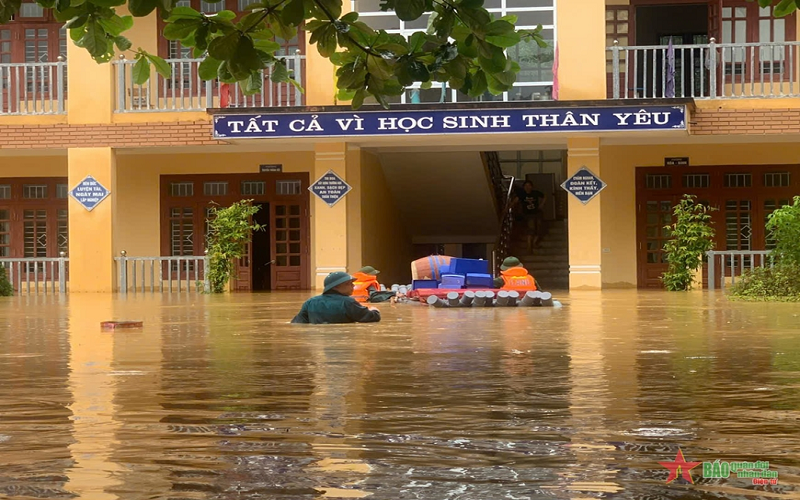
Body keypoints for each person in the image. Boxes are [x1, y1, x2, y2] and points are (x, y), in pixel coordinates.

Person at [291, 272, 381, 324]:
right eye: (348, 283)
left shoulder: (310, 302)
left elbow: (298, 323)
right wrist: (374, 311)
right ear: (335, 287)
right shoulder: (348, 302)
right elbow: (371, 317)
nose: (353, 286)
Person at [514, 180, 546, 252]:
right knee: (530, 229)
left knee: (539, 228)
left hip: (537, 212)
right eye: (526, 186)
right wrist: (508, 208)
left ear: (532, 186)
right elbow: (515, 201)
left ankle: (534, 243)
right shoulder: (522, 194)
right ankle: (529, 246)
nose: (527, 187)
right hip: (528, 214)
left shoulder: (535, 193)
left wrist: (541, 204)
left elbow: (544, 196)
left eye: (529, 186)